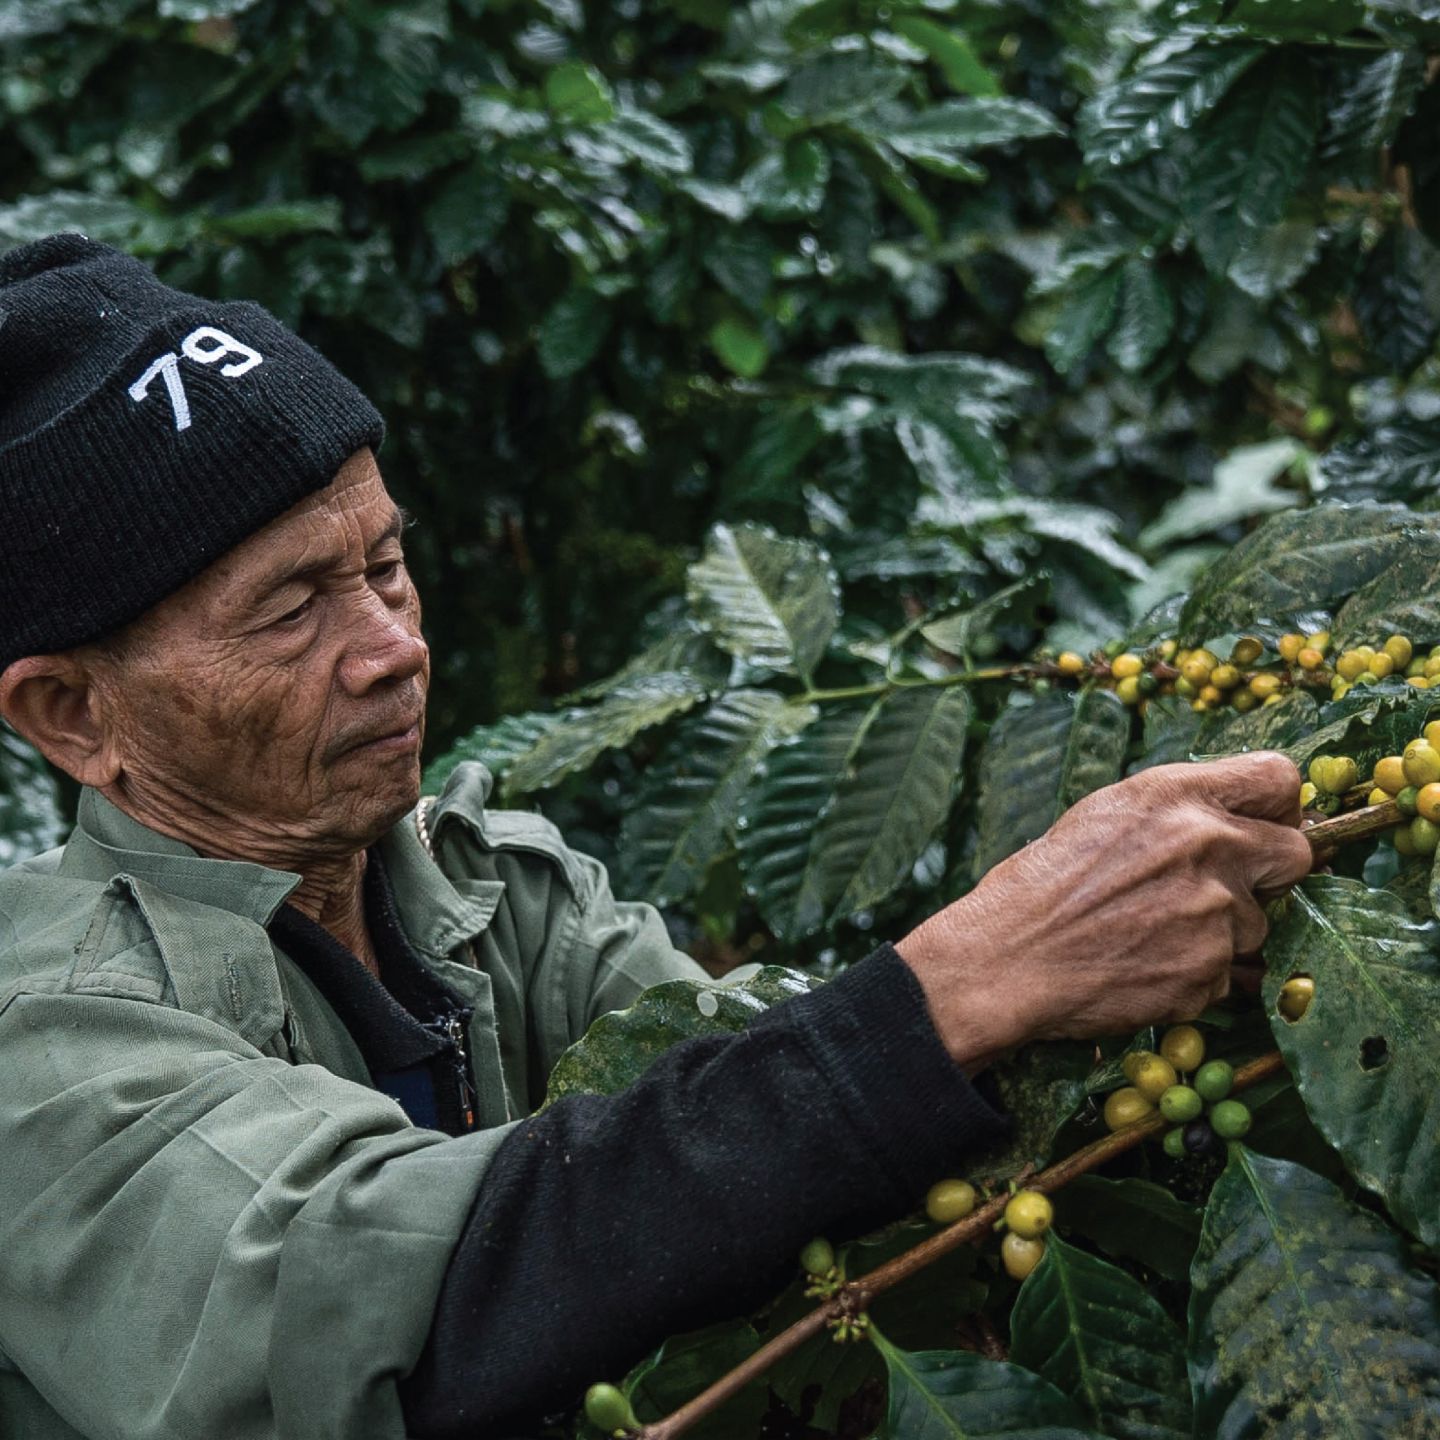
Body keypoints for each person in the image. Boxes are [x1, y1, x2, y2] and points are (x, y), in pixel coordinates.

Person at [0, 233, 1314, 1440]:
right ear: (73, 715)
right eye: (293, 611)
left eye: (387, 566)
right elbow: (413, 1309)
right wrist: (968, 980)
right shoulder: (47, 1050)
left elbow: (748, 1122)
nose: (394, 650)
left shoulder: (491, 897)